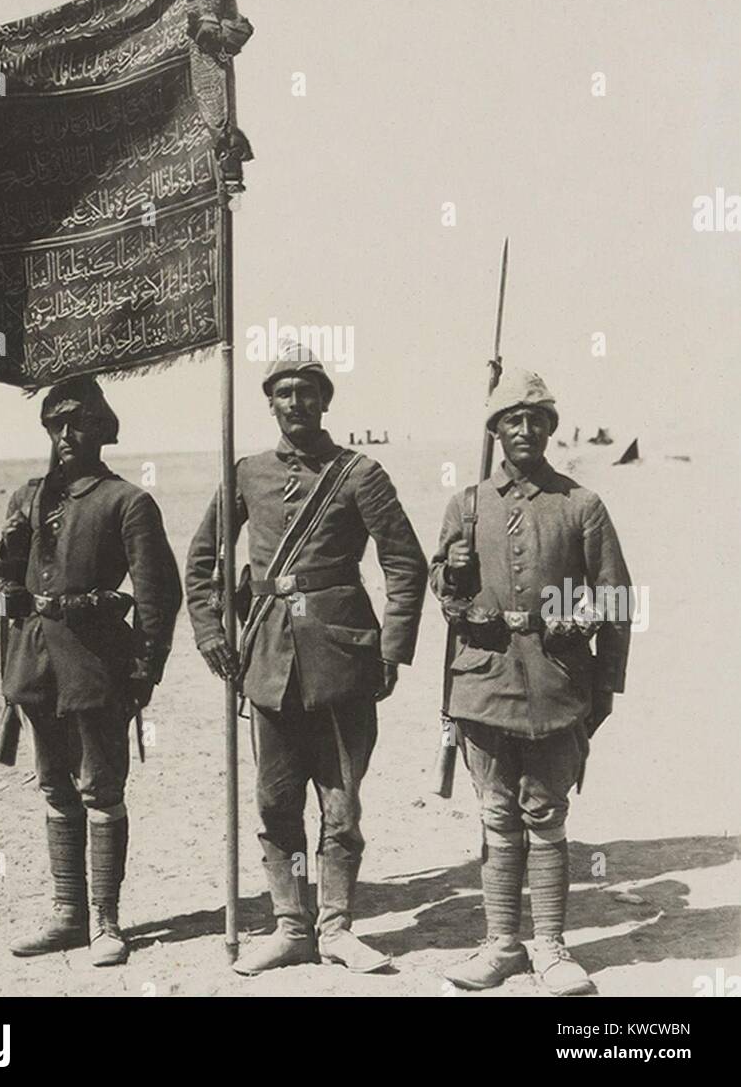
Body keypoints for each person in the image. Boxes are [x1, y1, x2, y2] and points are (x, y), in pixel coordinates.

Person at [185, 344, 427, 975]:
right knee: (274, 801)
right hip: (265, 662)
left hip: (344, 661)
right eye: (284, 392)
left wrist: (393, 649)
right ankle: (291, 926)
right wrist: (211, 630)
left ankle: (339, 926)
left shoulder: (359, 474)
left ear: (325, 400)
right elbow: (204, 558)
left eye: (308, 391)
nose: (297, 402)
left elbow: (405, 562)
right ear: (270, 403)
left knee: (341, 802)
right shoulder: (247, 473)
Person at [429, 369, 632, 996]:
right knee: (496, 813)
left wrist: (601, 685)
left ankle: (550, 946)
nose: (525, 429)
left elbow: (616, 599)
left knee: (545, 814)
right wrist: (453, 573)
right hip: (483, 685)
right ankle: (501, 944)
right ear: (495, 429)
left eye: (536, 418)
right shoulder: (466, 504)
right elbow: (445, 592)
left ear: (551, 427)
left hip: (555, 684)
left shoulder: (581, 504)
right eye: (511, 419)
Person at [0, 375, 182, 967]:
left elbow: (158, 595)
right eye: (55, 424)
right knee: (55, 788)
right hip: (35, 665)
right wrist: (7, 553)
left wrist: (145, 670)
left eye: (79, 423)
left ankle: (106, 921)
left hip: (97, 667)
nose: (67, 434)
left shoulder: (127, 501)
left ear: (103, 430)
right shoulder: (27, 498)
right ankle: (67, 914)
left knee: (100, 789)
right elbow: (5, 585)